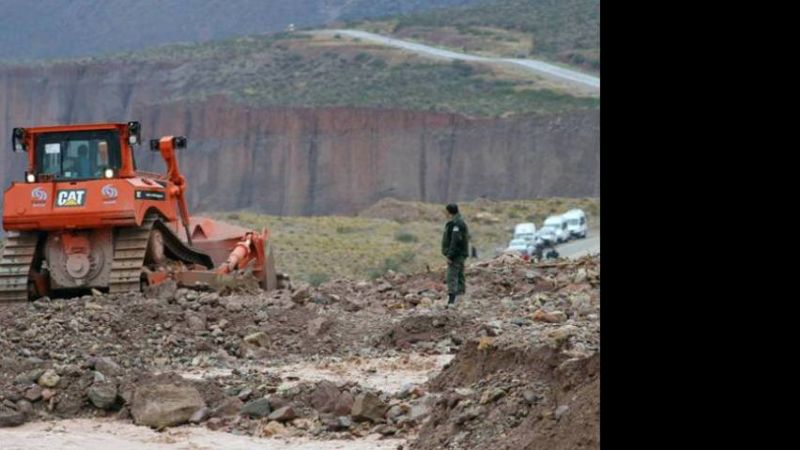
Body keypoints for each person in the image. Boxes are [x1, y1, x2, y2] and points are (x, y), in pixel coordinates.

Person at [441, 203, 469, 306]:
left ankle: (452, 300)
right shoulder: (457, 222)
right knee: (460, 274)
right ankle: (460, 298)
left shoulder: (456, 223)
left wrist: (450, 255)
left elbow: (455, 241)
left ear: (449, 211)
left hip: (456, 255)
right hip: (460, 254)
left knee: (451, 275)